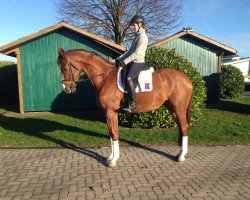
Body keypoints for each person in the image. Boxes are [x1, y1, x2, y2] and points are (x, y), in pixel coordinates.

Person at [115, 15, 148, 113]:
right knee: (123, 74)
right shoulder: (136, 37)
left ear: (140, 25)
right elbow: (129, 52)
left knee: (128, 78)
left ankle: (132, 105)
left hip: (138, 62)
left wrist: (124, 62)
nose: (132, 27)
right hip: (133, 61)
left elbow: (136, 54)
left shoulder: (143, 37)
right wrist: (119, 59)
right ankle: (125, 100)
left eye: (134, 25)